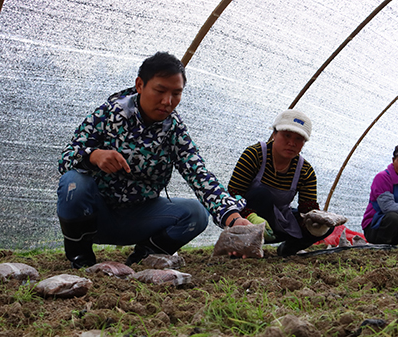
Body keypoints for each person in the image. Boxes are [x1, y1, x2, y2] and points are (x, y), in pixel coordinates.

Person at [56, 52, 251, 268]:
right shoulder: (109, 114)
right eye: (160, 91)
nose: (167, 102)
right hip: (95, 216)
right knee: (74, 182)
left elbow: (199, 174)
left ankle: (145, 256)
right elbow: (66, 157)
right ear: (140, 85)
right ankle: (80, 258)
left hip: (140, 217)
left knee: (196, 213)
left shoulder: (174, 130)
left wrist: (233, 217)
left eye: (176, 94)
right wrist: (94, 156)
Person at [227, 109, 335, 256]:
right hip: (248, 219)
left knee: (325, 226)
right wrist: (249, 215)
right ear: (274, 134)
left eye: (299, 139)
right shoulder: (254, 155)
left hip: (280, 218)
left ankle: (289, 249)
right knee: (261, 194)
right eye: (287, 135)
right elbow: (234, 193)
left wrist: (316, 222)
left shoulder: (305, 170)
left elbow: (307, 208)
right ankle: (244, 245)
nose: (291, 143)